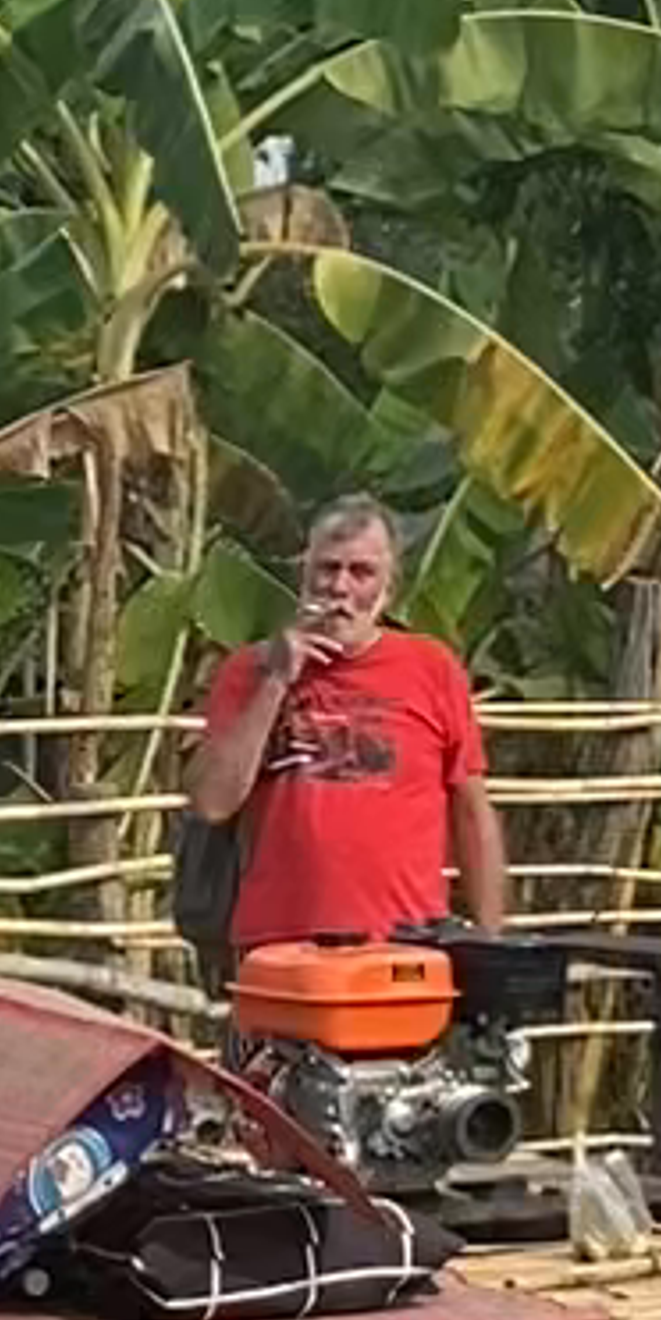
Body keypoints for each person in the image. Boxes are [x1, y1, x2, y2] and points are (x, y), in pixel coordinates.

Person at [185, 492, 510, 1152]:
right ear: (304, 575)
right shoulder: (248, 671)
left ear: (389, 586)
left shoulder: (431, 670)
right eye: (327, 570)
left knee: (405, 1136)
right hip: (278, 958)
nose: (341, 588)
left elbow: (472, 812)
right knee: (269, 1136)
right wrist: (278, 680)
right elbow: (213, 801)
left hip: (402, 956)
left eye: (361, 572)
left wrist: (490, 943)